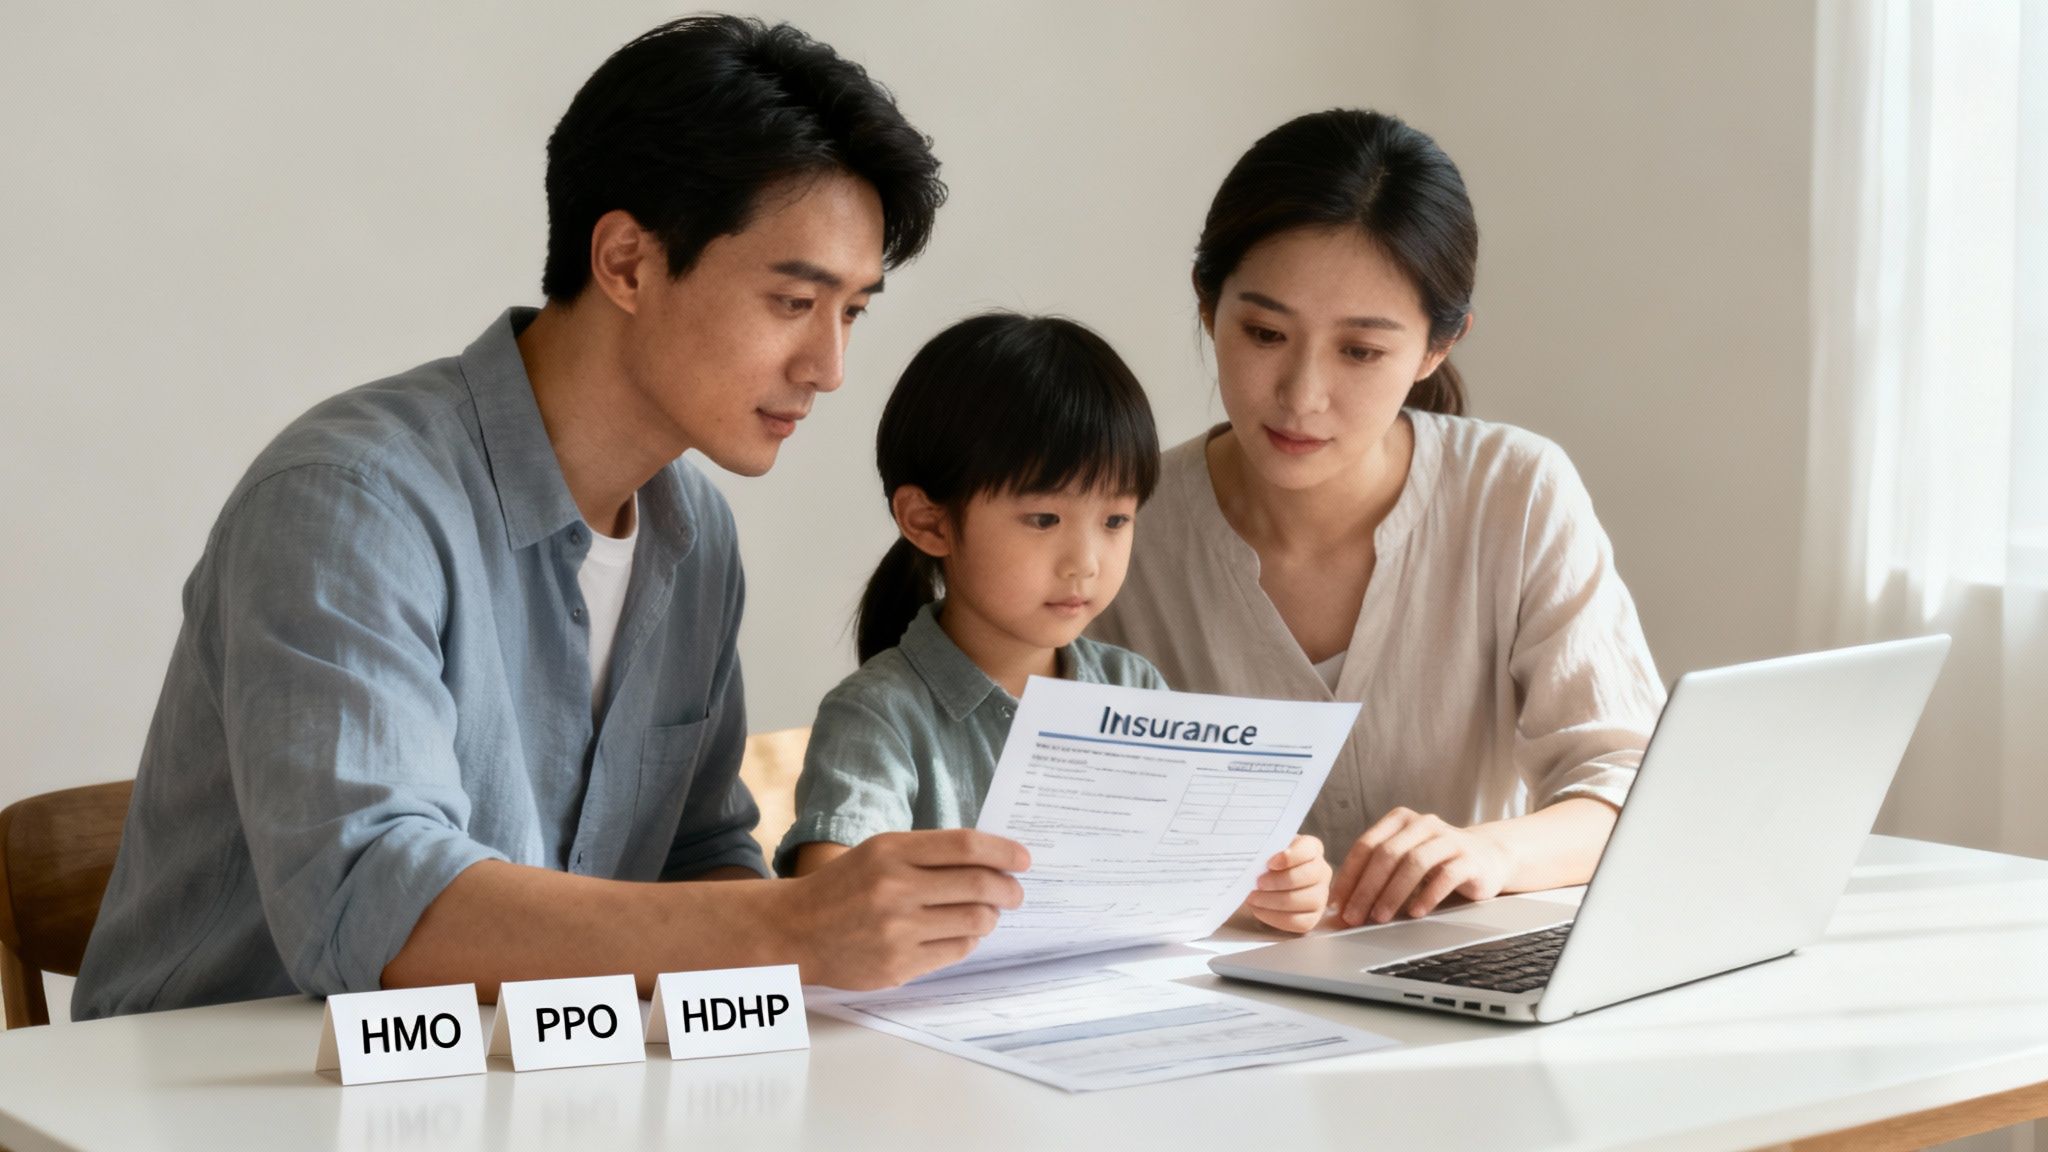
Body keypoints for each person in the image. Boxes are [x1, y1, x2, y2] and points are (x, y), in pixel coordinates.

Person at [74, 14, 1029, 1018]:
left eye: (854, 312)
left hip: (522, 1093)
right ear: (624, 262)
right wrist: (796, 930)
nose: (828, 368)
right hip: (213, 1101)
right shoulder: (351, 499)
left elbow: (695, 856)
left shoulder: (692, 538)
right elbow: (371, 904)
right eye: (794, 301)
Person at [1089, 109, 1666, 931]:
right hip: (1199, 1008)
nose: (1300, 395)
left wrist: (1491, 853)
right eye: (1262, 332)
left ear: (1438, 346)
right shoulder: (1119, 527)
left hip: (1455, 991)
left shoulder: (1517, 492)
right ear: (1207, 302)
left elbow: (1628, 784)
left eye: (1360, 351)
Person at [776, 312, 1332, 936]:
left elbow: (1184, 882)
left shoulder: (1134, 688)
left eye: (1116, 521)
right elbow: (826, 906)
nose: (1085, 564)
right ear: (929, 522)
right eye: (1044, 520)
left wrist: (1274, 887)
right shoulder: (877, 716)